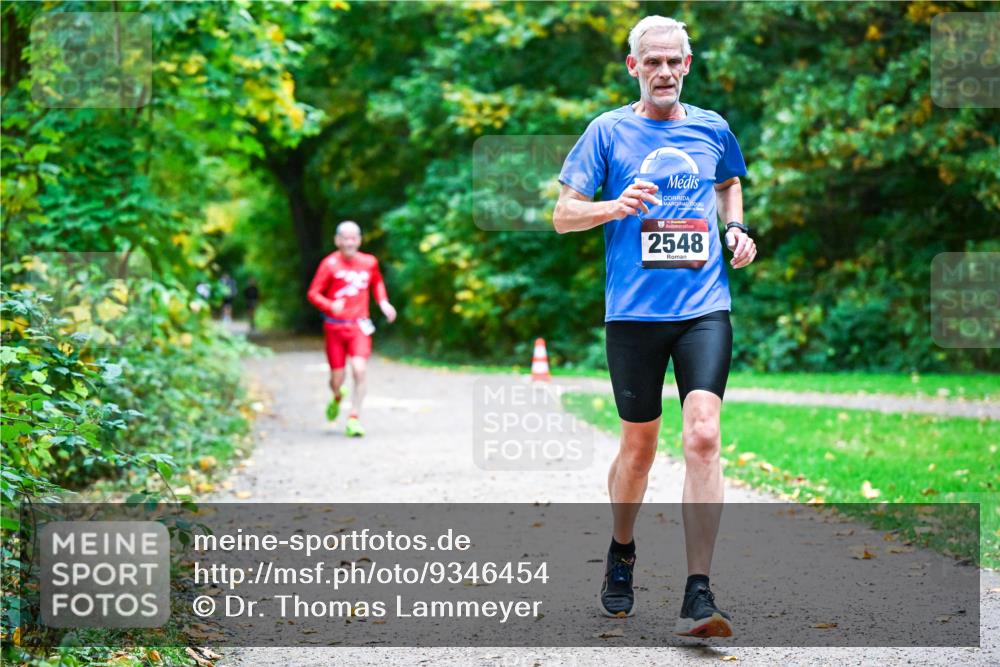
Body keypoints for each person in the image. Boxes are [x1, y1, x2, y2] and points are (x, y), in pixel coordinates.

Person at [553, 16, 757, 638]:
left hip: (703, 308)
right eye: (653, 62)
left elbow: (728, 181)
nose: (664, 72)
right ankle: (622, 549)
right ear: (633, 67)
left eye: (674, 62)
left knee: (702, 436)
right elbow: (563, 215)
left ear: (688, 65)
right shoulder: (607, 132)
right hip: (634, 316)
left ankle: (699, 591)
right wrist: (614, 206)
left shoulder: (712, 128)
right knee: (638, 451)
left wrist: (736, 229)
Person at [307, 221, 397, 437]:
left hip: (359, 326)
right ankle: (337, 396)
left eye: (353, 238)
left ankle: (354, 417)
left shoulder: (369, 262)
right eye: (345, 238)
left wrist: (383, 302)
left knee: (359, 369)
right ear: (337, 241)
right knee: (336, 380)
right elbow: (313, 293)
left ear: (359, 240)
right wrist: (330, 306)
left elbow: (377, 282)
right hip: (335, 328)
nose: (349, 242)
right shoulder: (329, 264)